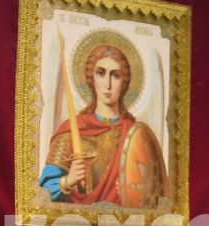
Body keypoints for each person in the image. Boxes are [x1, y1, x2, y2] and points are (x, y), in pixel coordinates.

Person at [38, 40, 168, 208]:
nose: (107, 84)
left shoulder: (134, 134)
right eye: (101, 73)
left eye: (115, 75)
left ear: (124, 82)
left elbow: (155, 191)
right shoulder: (73, 130)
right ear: (92, 78)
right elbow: (44, 191)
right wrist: (68, 181)